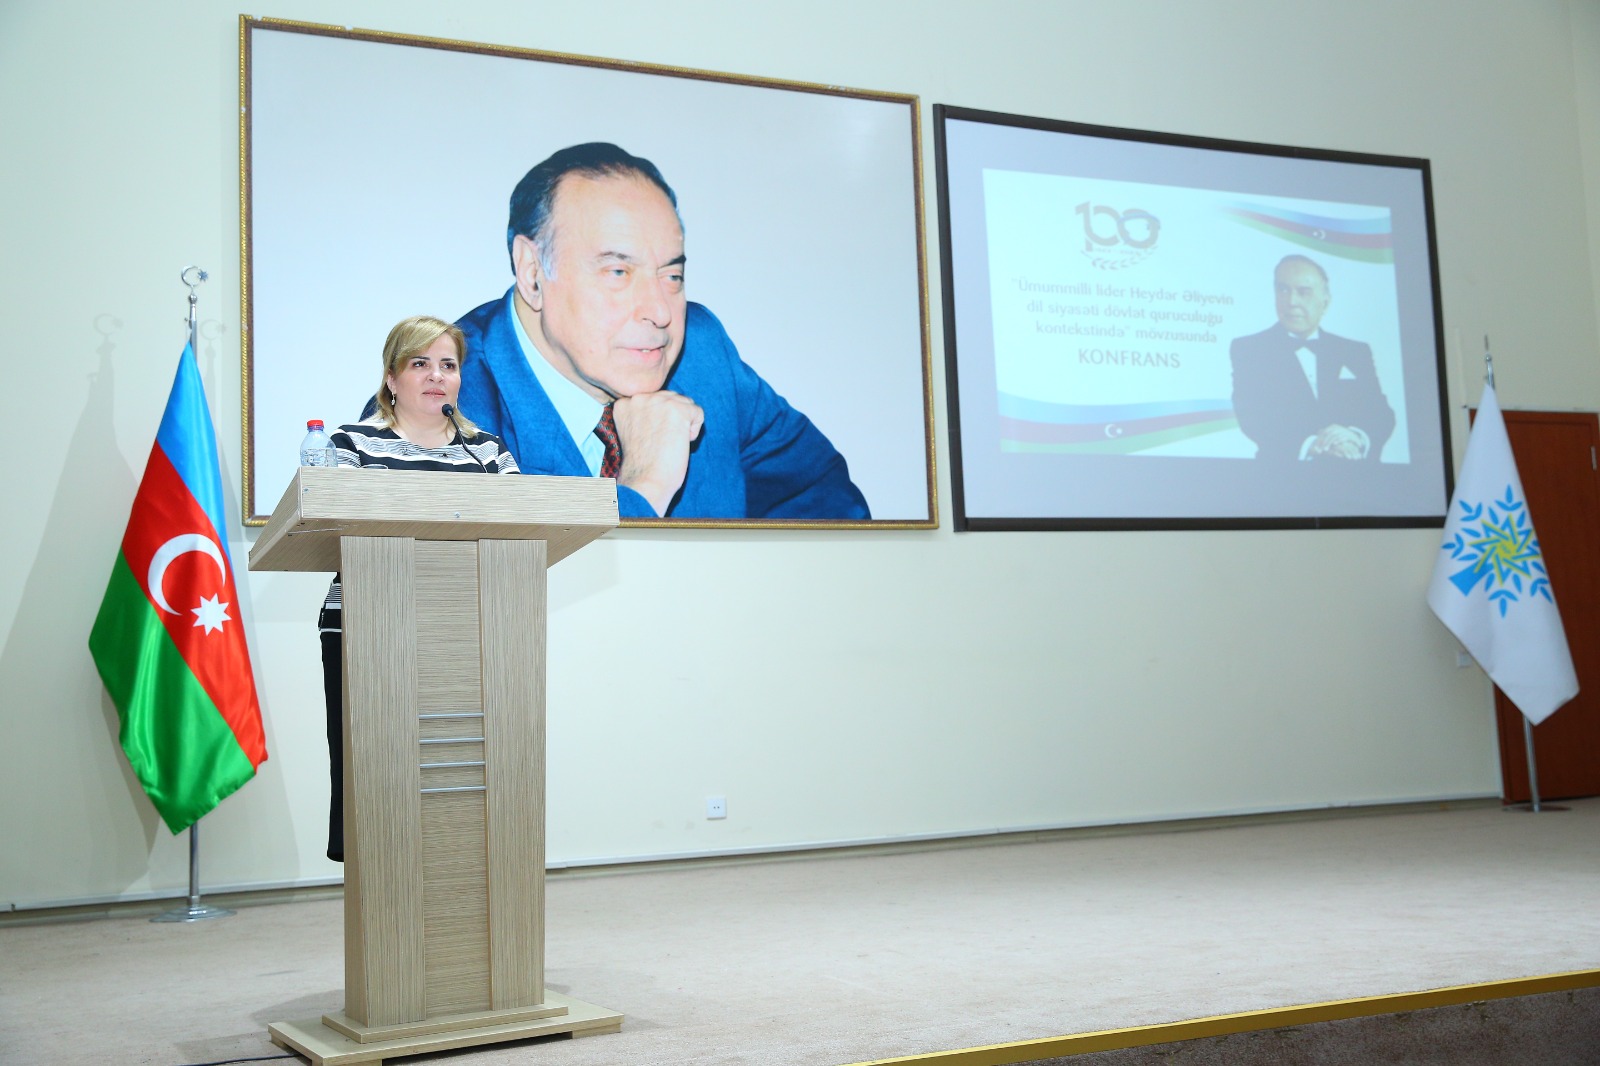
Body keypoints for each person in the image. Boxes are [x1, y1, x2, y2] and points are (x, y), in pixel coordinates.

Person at [452, 142, 870, 520]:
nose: (660, 312)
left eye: (672, 276)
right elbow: (509, 577)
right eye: (618, 272)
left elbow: (828, 504)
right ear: (532, 273)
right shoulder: (442, 408)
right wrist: (642, 487)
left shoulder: (703, 355)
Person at [318, 315, 519, 862]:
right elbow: (327, 527)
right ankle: (379, 877)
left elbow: (523, 525)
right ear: (391, 377)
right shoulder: (350, 444)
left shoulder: (486, 453)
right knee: (376, 766)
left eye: (448, 365)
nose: (436, 376)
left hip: (468, 628)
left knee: (462, 767)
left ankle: (464, 864)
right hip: (368, 625)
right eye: (420, 363)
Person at [1229, 255, 1395, 462]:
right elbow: (1252, 417)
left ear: (1325, 301)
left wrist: (1354, 436)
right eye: (1283, 290)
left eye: (1304, 292)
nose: (1291, 301)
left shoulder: (1355, 351)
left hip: (1356, 475)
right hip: (1282, 474)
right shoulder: (1249, 349)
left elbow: (1381, 413)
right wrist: (1311, 444)